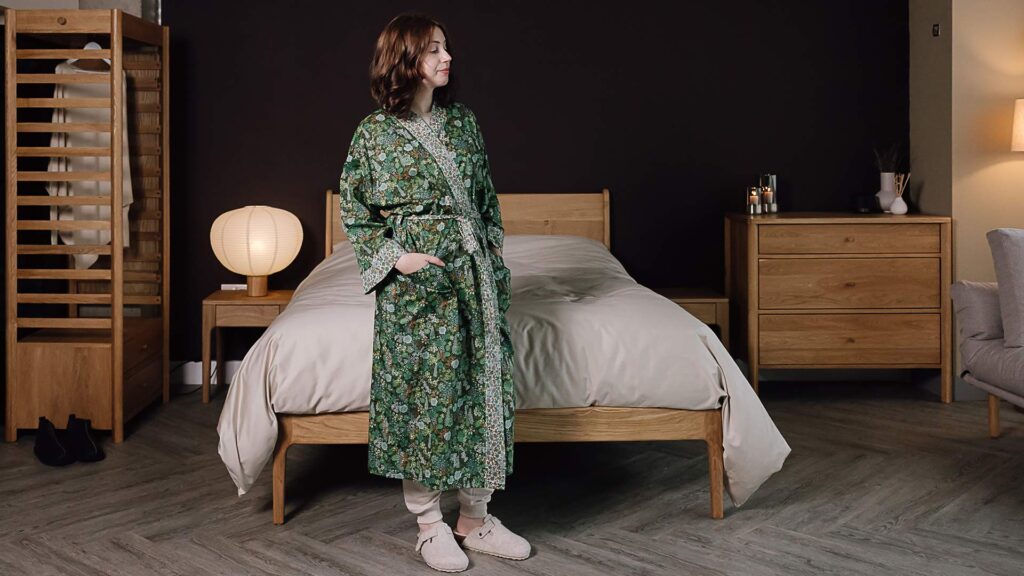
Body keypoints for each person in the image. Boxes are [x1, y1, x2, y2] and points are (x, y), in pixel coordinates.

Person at [337, 12, 529, 572]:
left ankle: (475, 518)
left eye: (446, 48)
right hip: (418, 288)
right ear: (405, 61)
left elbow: (487, 197)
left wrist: (490, 253)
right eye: (433, 51)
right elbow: (355, 209)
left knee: (482, 390)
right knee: (425, 399)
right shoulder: (372, 135)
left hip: (474, 281)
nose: (447, 59)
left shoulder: (463, 122)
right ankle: (428, 525)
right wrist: (399, 259)